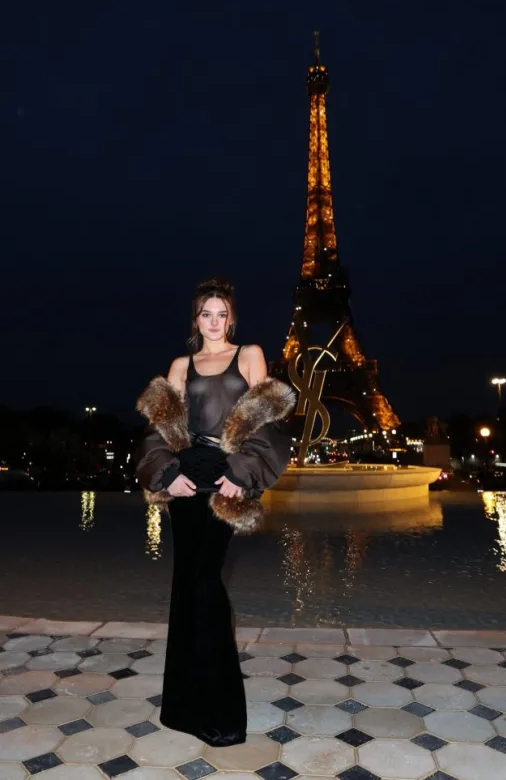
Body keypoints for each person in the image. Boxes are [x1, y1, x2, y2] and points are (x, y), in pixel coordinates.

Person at [134, 277, 295, 748]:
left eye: (222, 313)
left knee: (206, 582)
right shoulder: (181, 364)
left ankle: (222, 712)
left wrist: (242, 472)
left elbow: (269, 418)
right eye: (207, 313)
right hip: (187, 476)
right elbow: (158, 430)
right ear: (195, 319)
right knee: (187, 582)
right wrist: (166, 474)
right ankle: (185, 706)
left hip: (227, 473)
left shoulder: (249, 354)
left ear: (232, 318)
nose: (215, 321)